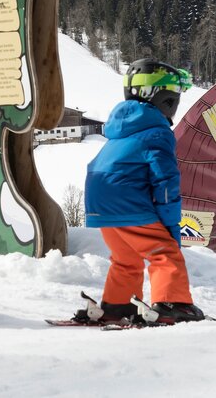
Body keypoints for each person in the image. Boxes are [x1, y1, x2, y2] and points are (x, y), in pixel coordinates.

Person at [81, 58, 204, 325]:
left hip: (100, 203)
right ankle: (173, 304)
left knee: (126, 259)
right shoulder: (156, 132)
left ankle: (118, 306)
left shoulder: (122, 129)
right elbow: (165, 180)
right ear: (166, 98)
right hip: (127, 201)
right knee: (165, 253)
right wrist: (170, 224)